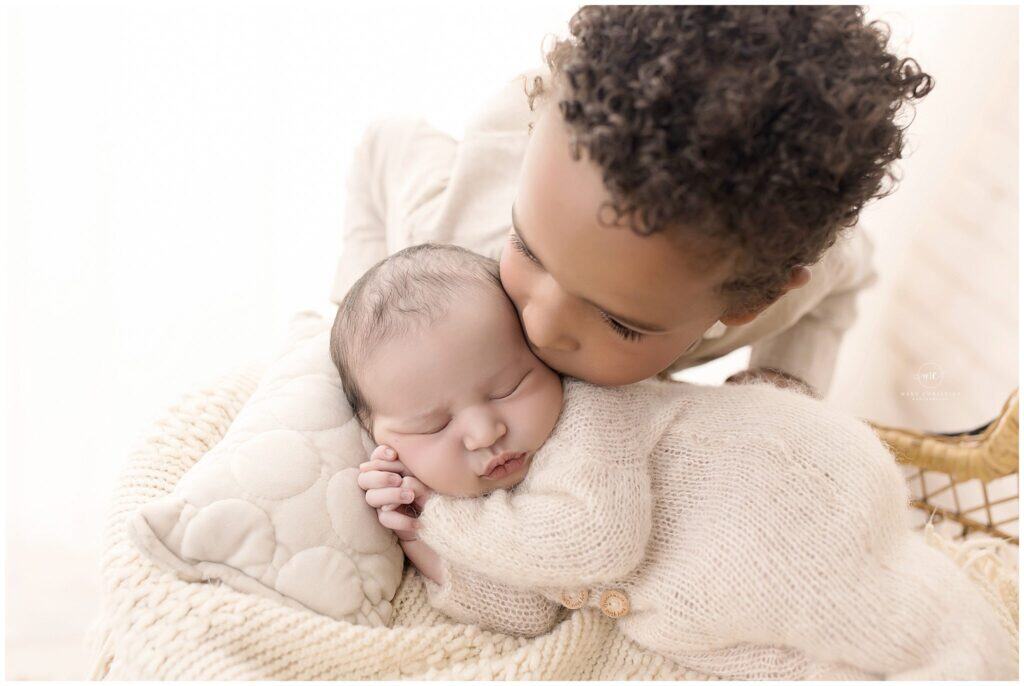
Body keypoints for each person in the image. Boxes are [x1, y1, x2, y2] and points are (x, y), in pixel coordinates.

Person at [330, 243, 1013, 680]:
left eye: (508, 385)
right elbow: (526, 605)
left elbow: (590, 542)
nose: (483, 430)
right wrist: (420, 539)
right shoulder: (483, 509)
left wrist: (445, 519)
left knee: (921, 626)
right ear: (380, 438)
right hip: (732, 603)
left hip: (786, 492)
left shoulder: (590, 413)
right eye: (433, 425)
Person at [330, 5, 933, 398]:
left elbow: (848, 274)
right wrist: (355, 319)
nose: (540, 323)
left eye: (620, 323)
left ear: (754, 301)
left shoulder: (762, 278)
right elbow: (385, 141)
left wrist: (784, 380)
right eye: (528, 252)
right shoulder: (451, 240)